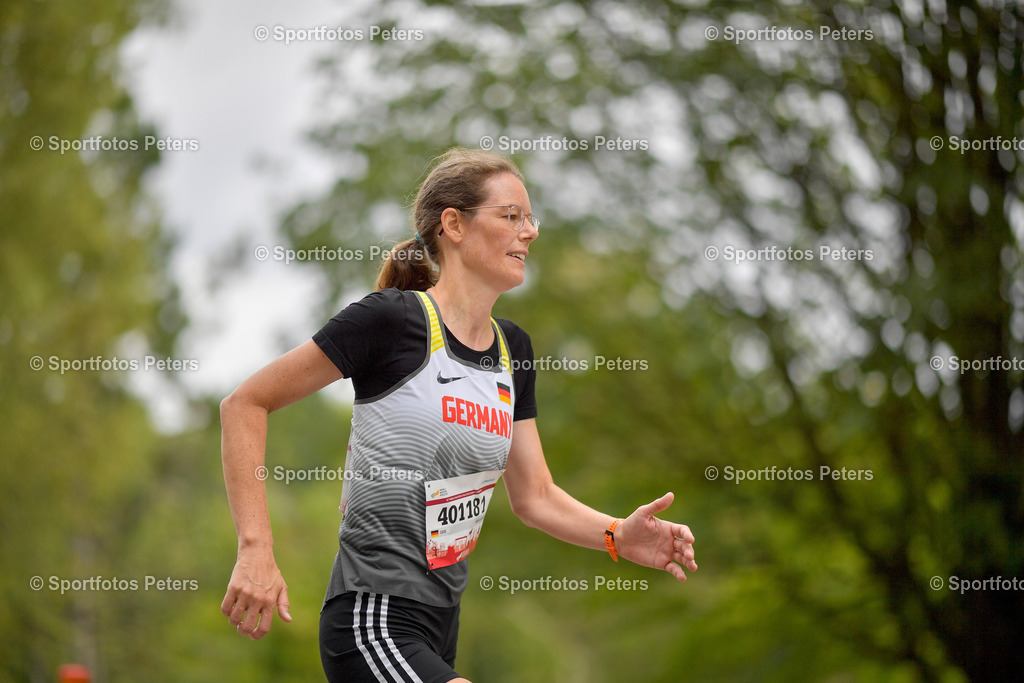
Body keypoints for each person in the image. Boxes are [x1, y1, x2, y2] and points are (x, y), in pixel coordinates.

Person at [220, 148, 698, 682]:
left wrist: (616, 535)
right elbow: (244, 404)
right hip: (372, 616)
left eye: (530, 218)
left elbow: (536, 496)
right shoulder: (391, 321)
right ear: (454, 225)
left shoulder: (513, 350)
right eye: (511, 216)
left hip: (442, 626)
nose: (530, 232)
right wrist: (256, 549)